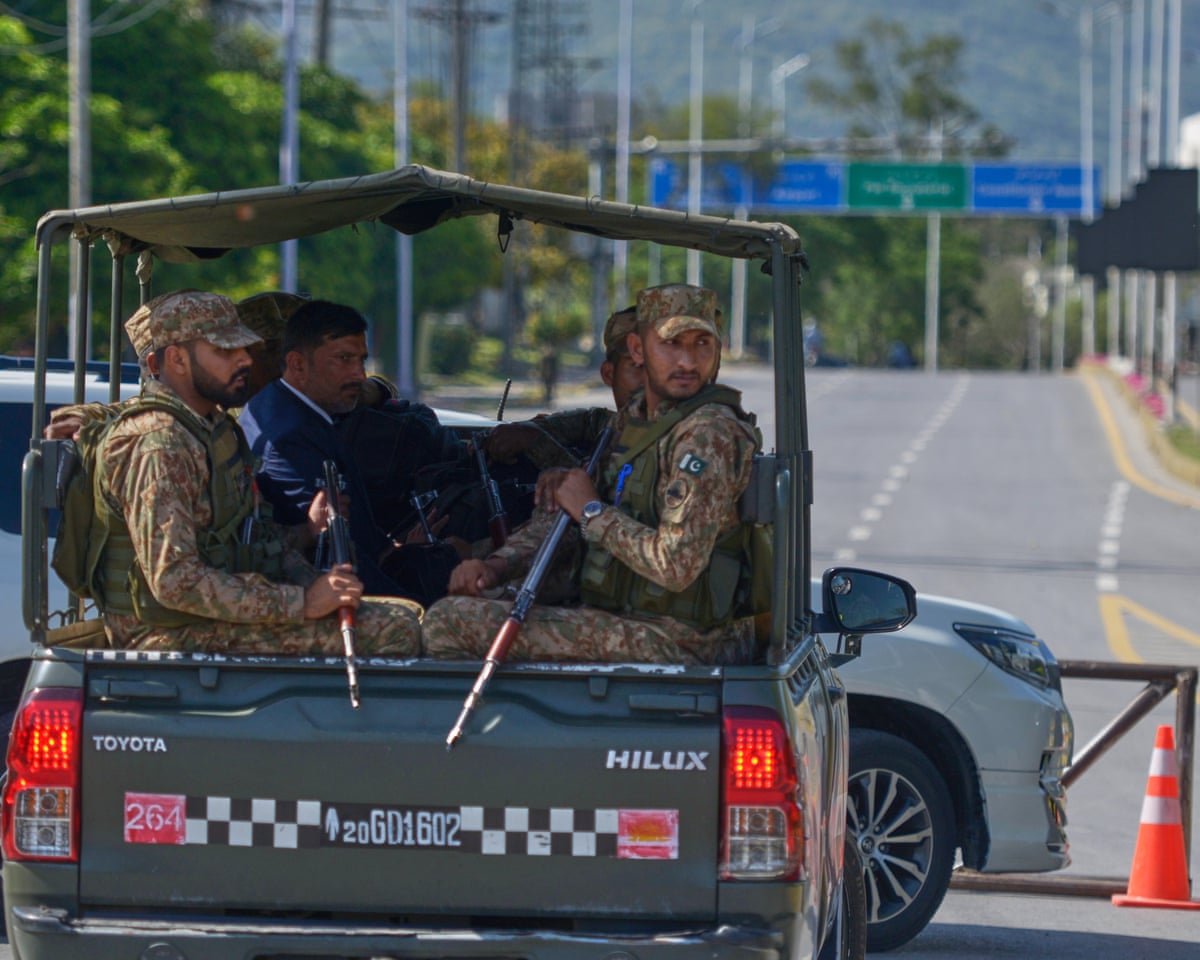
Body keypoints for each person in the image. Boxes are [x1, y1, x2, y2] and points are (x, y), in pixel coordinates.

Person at [422, 283, 761, 665]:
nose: (687, 361)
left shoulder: (708, 432)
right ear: (638, 349)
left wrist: (593, 512)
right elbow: (563, 520)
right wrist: (495, 567)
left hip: (683, 639)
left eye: (702, 344)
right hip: (630, 617)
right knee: (468, 605)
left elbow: (676, 565)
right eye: (672, 344)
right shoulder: (635, 422)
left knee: (447, 623)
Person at [92, 289, 422, 655]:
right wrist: (300, 602)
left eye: (244, 349)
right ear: (177, 360)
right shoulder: (160, 443)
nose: (244, 360)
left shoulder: (210, 430)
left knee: (401, 614)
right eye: (224, 351)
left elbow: (241, 544)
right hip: (166, 633)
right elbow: (174, 582)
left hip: (207, 617)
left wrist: (307, 539)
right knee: (395, 630)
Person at [239, 299, 459, 606]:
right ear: (298, 364)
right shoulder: (291, 437)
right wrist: (421, 613)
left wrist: (394, 550)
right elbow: (331, 554)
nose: (359, 374)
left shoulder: (293, 408)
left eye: (361, 360)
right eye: (343, 359)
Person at [484, 305, 641, 470]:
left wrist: (536, 443)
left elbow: (597, 489)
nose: (649, 380)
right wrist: (524, 431)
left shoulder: (664, 437)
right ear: (609, 374)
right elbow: (588, 422)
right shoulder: (618, 423)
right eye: (638, 367)